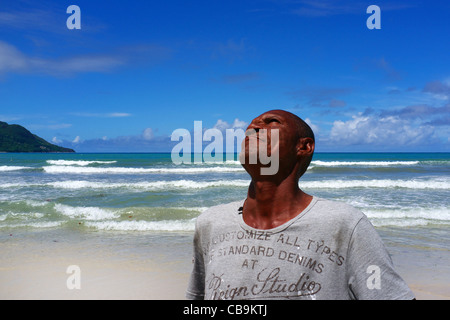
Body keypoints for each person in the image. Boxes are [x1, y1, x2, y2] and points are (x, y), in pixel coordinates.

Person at [186, 109, 415, 300]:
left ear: (304, 147)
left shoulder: (345, 224)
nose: (253, 127)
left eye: (271, 122)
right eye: (251, 126)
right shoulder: (210, 223)